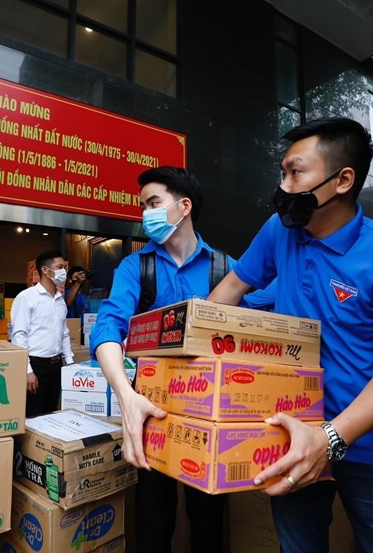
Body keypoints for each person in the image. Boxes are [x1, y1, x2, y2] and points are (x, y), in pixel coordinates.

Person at [207, 117, 373, 552]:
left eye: (296, 173)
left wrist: (329, 438)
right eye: (282, 173)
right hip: (291, 432)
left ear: (343, 180)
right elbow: (234, 286)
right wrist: (196, 345)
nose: (283, 186)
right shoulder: (280, 231)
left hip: (370, 445)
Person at [90, 166, 232, 553]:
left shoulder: (225, 268)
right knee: (153, 519)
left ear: (184, 206)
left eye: (153, 203)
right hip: (150, 408)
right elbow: (108, 327)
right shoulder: (136, 267)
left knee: (209, 518)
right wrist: (126, 395)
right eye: (143, 206)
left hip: (209, 411)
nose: (145, 214)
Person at [11, 250, 74, 418]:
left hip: (56, 365)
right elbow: (19, 335)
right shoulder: (27, 297)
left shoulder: (60, 300)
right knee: (32, 416)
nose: (64, 272)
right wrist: (27, 370)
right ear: (45, 270)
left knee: (51, 414)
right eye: (60, 267)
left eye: (65, 268)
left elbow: (64, 333)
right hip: (36, 366)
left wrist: (69, 363)